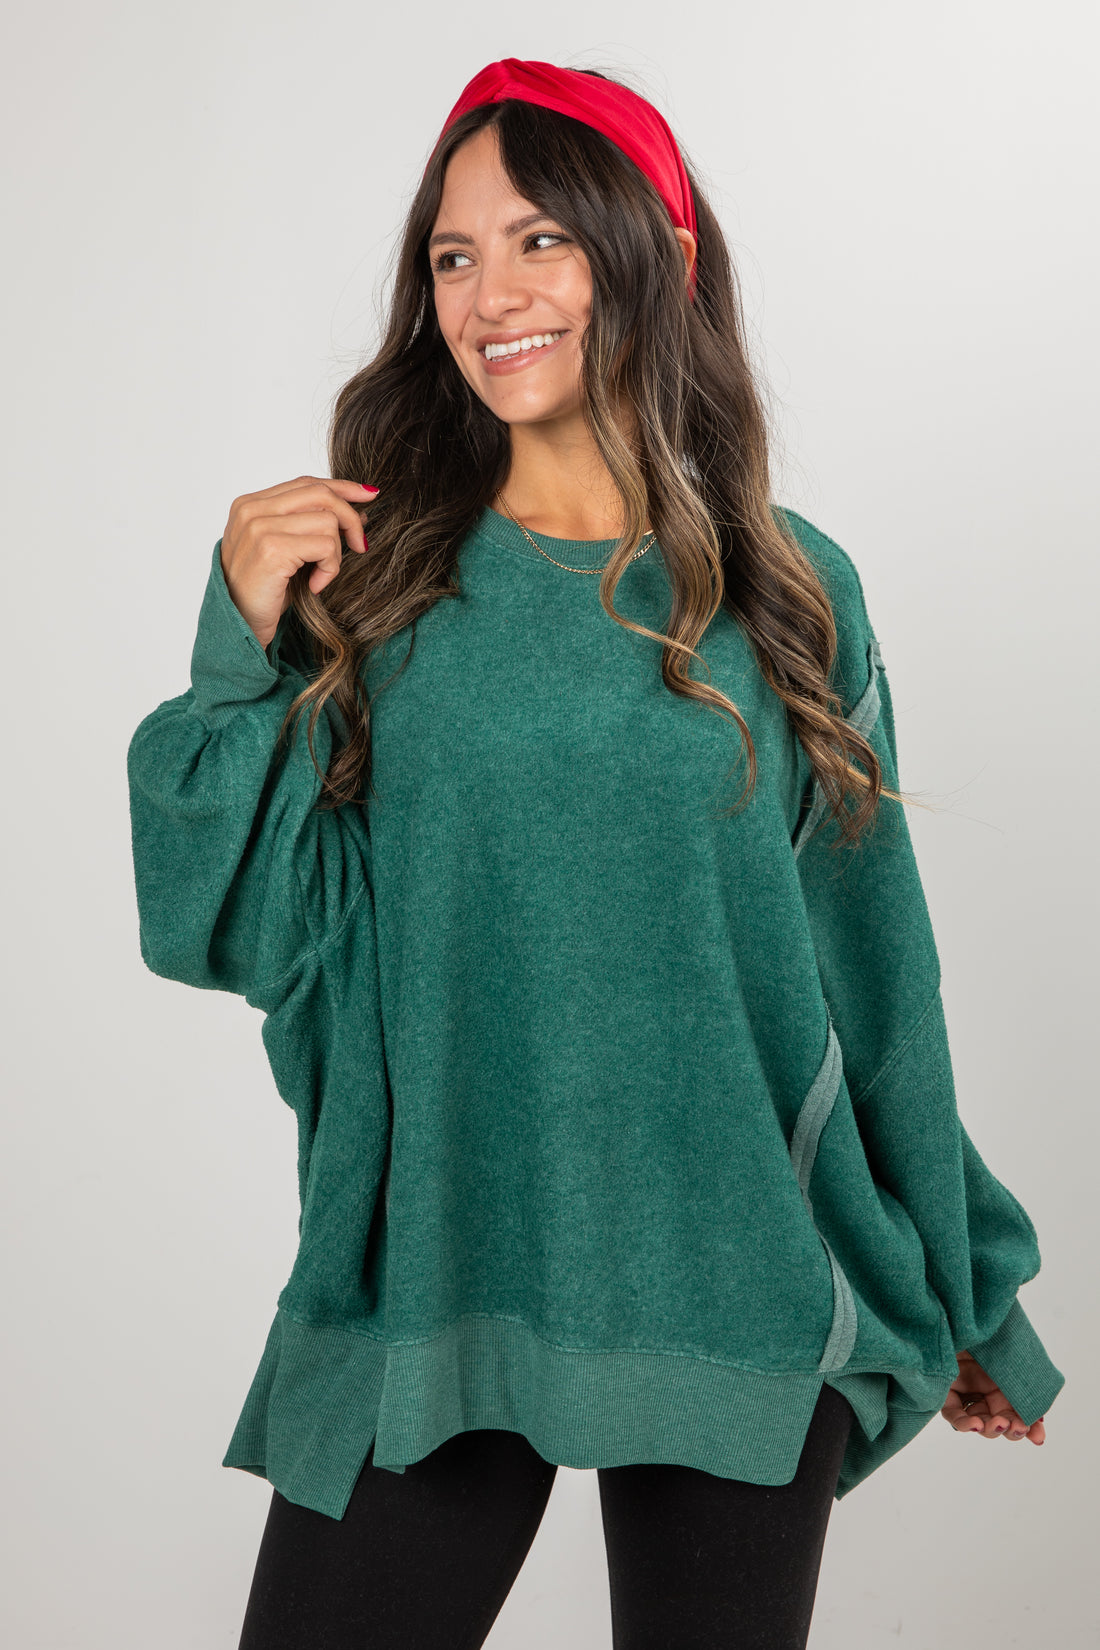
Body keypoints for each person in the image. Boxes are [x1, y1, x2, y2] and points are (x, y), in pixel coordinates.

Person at [126, 57, 1065, 1650]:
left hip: (739, 1274)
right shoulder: (382, 579)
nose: (491, 292)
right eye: (452, 254)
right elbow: (220, 920)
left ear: (660, 257)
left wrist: (969, 1286)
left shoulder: (790, 592)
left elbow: (876, 964)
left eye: (542, 239)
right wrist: (239, 642)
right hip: (438, 1266)